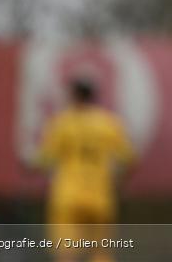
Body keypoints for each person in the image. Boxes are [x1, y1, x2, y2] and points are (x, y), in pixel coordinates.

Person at [34, 77, 136, 262]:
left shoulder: (62, 123)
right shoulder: (109, 123)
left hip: (68, 196)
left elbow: (45, 159)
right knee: (100, 252)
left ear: (73, 95)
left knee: (66, 252)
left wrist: (32, 164)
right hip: (100, 196)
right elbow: (128, 159)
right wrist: (117, 181)